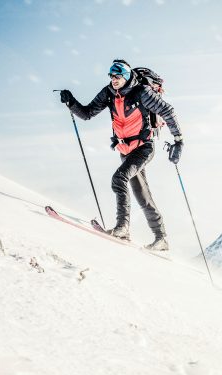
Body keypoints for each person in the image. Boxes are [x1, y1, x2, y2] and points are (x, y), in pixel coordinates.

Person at [59, 59, 183, 251]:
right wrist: (71, 102)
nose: (113, 79)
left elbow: (167, 110)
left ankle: (122, 227)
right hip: (125, 149)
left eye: (117, 76)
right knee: (142, 195)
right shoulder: (108, 93)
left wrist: (178, 140)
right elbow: (88, 113)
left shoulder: (142, 92)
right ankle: (161, 238)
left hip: (143, 147)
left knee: (119, 178)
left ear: (125, 76)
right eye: (111, 75)